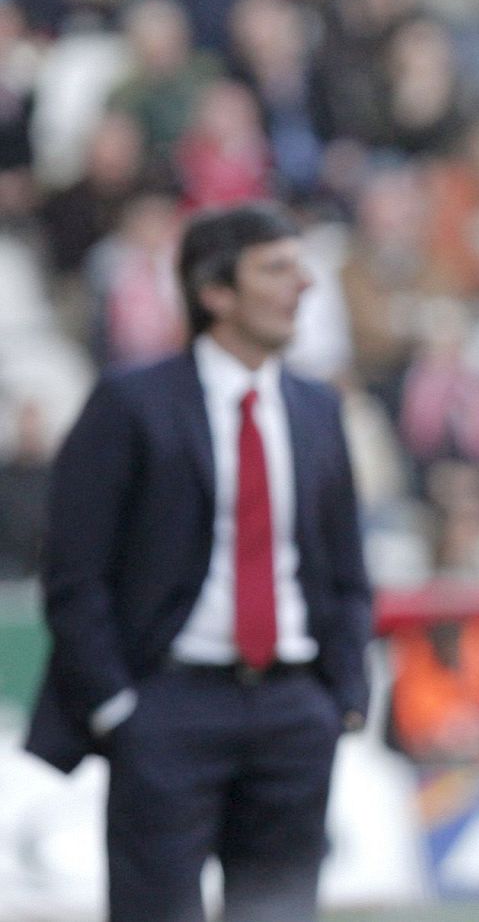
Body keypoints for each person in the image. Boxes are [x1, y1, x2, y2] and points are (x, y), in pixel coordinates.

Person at [25, 201, 372, 922]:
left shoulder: (316, 409)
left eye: (300, 267)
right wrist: (121, 709)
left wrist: (339, 694)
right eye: (276, 268)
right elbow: (74, 575)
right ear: (215, 292)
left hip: (293, 711)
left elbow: (344, 572)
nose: (302, 285)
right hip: (169, 707)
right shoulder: (130, 404)